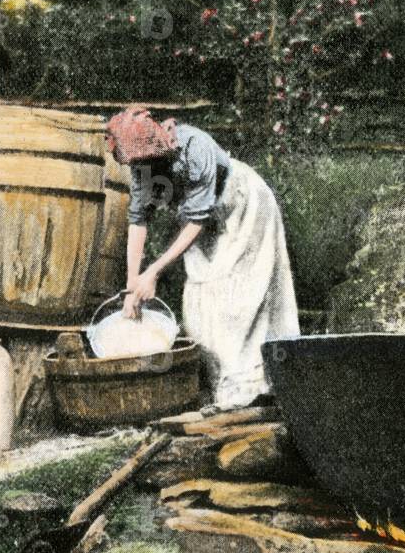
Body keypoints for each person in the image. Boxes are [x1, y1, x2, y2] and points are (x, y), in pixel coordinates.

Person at [105, 105, 300, 411]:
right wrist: (133, 283)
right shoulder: (142, 163)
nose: (141, 166)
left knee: (242, 302)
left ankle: (251, 391)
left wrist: (154, 271)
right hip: (204, 222)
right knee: (199, 300)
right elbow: (138, 220)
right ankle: (220, 389)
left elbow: (196, 219)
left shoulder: (196, 148)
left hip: (242, 208)